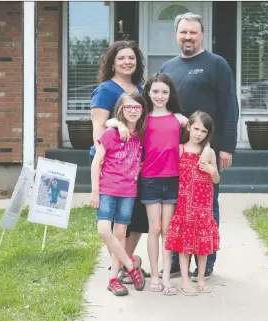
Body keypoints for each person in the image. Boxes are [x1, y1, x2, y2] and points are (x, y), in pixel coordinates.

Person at [160, 12, 239, 281]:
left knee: (206, 207)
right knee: (177, 205)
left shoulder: (216, 64)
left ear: (202, 34)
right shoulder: (168, 68)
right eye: (183, 32)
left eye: (193, 32)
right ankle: (175, 261)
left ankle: (207, 262)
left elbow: (230, 106)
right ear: (176, 34)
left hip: (207, 150)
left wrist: (226, 147)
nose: (188, 37)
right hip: (176, 152)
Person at [106, 72, 193, 295]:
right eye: (155, 91)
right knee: (154, 229)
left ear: (170, 93)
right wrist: (119, 124)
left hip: (173, 180)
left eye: (164, 91)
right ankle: (153, 275)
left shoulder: (179, 119)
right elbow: (111, 120)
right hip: (150, 180)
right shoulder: (143, 120)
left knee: (167, 230)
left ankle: (166, 277)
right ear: (148, 93)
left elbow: (202, 131)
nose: (160, 96)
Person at [89, 40, 149, 279]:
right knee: (111, 222)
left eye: (131, 58)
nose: (127, 62)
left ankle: (123, 264)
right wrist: (114, 125)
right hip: (110, 166)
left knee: (133, 220)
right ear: (112, 62)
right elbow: (98, 129)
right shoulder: (106, 90)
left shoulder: (140, 90)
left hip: (135, 167)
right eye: (122, 58)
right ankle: (125, 265)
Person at [165, 111, 220, 296]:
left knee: (203, 245)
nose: (198, 134)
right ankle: (185, 280)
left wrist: (212, 170)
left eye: (204, 131)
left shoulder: (210, 152)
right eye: (196, 129)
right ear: (188, 127)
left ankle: (202, 278)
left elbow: (216, 180)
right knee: (184, 245)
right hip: (185, 204)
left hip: (204, 205)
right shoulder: (179, 149)